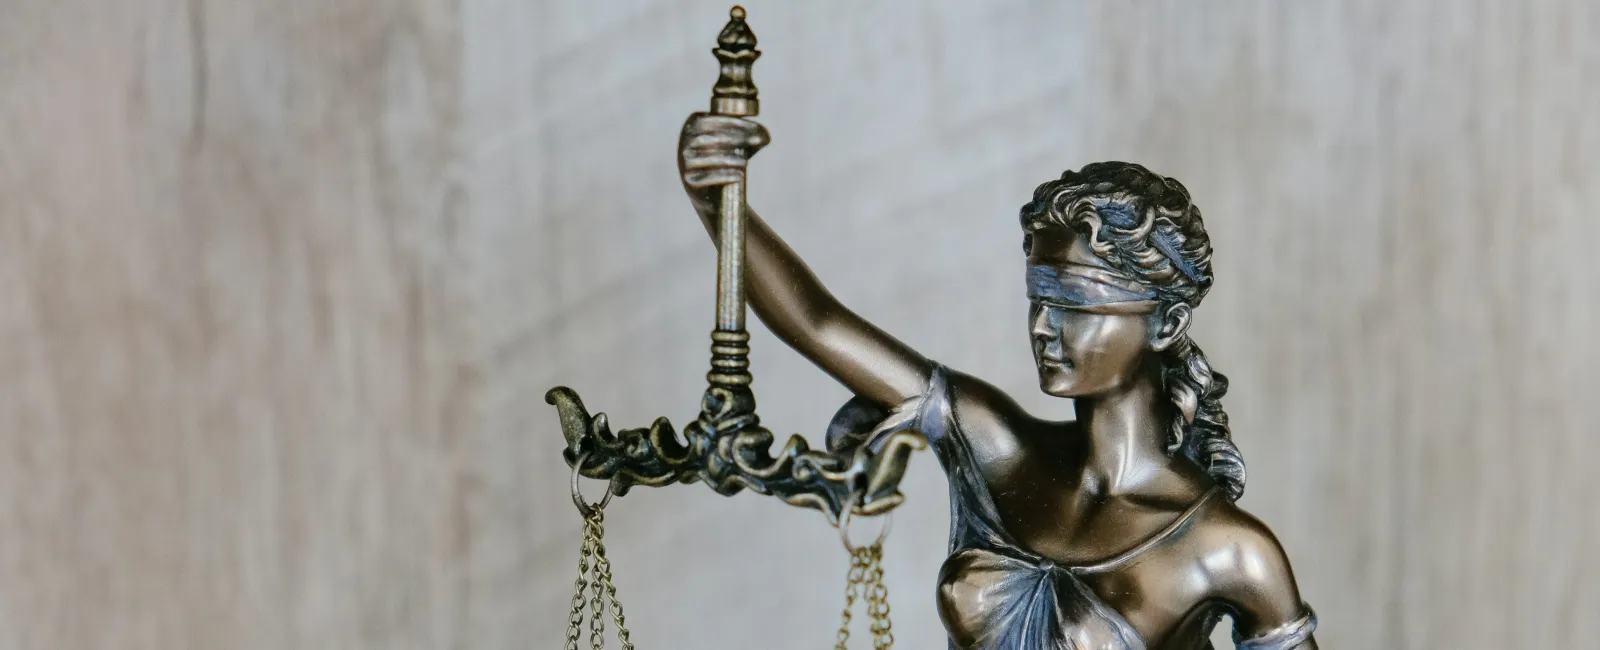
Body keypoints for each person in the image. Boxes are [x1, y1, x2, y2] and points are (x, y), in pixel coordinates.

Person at [678, 113, 1318, 650]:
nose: (1043, 327)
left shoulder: (1231, 551)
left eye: (1075, 303)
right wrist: (720, 205)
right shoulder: (995, 447)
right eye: (1037, 299)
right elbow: (819, 324)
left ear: (1167, 321)